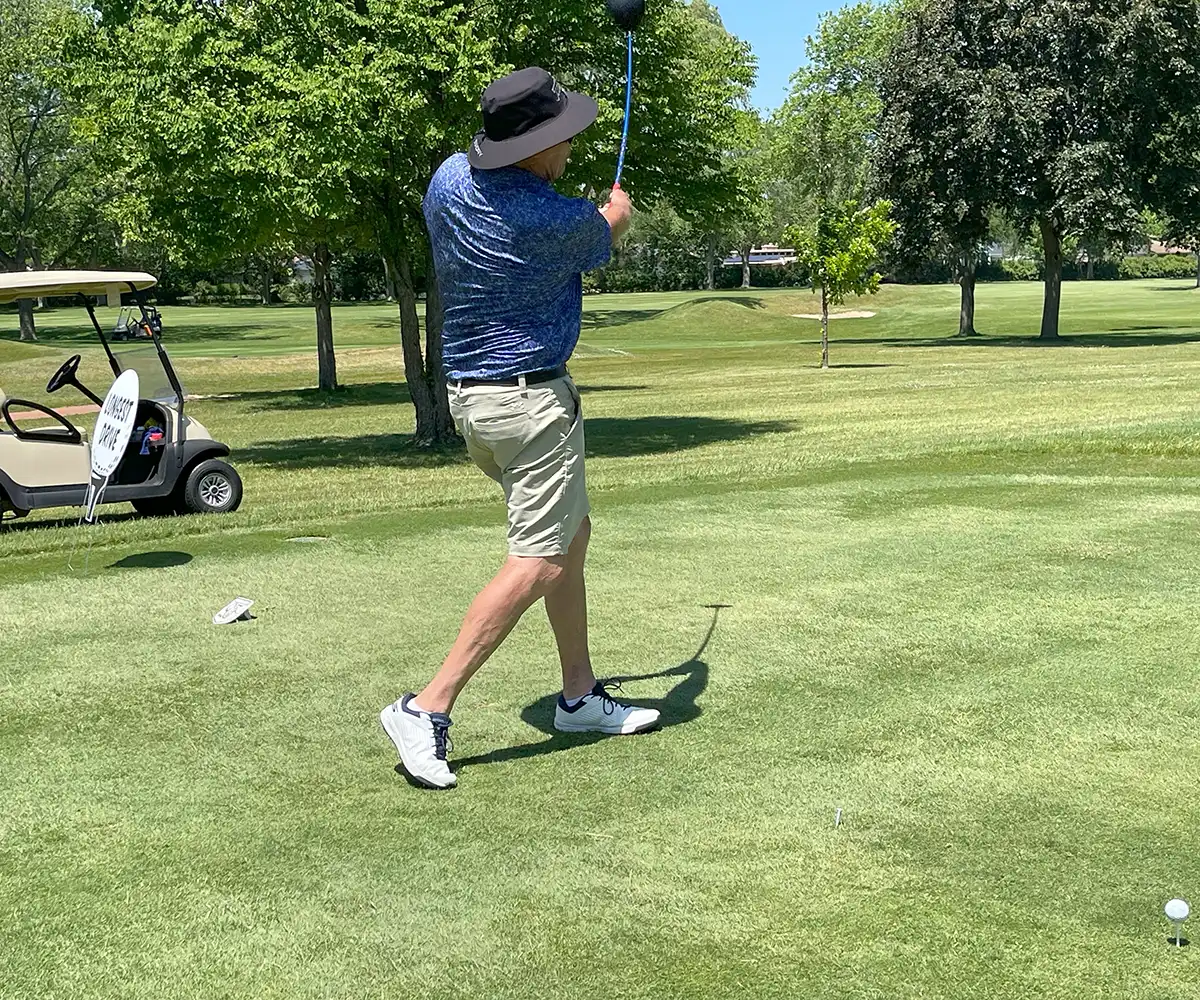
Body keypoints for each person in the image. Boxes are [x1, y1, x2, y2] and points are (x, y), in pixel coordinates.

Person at [380, 67, 659, 789]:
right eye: (563, 135)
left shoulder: (447, 179)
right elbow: (606, 230)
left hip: (471, 405)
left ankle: (578, 696)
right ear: (536, 145)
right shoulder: (555, 220)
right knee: (539, 559)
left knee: (571, 534)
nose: (571, 146)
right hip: (529, 405)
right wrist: (616, 213)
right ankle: (426, 706)